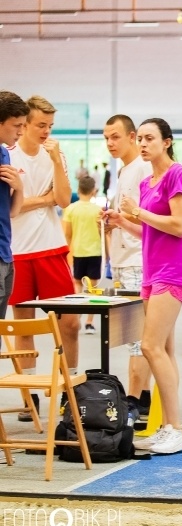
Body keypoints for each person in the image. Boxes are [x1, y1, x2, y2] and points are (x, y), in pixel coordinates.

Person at [104, 118, 182, 455]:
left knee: (150, 347)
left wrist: (139, 212)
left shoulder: (178, 174)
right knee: (164, 352)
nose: (142, 144)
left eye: (149, 138)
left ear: (167, 142)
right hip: (152, 271)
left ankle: (174, 427)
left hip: (174, 270)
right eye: (139, 138)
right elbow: (149, 233)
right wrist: (123, 221)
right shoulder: (147, 182)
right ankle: (165, 426)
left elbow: (178, 225)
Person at [8, 95, 79, 421]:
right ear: (24, 123)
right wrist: (42, 199)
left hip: (51, 248)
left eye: (50, 126)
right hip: (18, 251)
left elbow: (63, 199)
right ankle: (30, 398)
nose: (45, 131)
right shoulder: (8, 153)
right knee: (24, 328)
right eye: (40, 125)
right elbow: (13, 207)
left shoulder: (56, 154)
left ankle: (70, 389)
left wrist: (55, 164)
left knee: (70, 322)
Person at [103, 113, 153, 422]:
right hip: (122, 260)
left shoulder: (143, 169)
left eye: (116, 136)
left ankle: (135, 399)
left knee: (139, 337)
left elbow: (147, 218)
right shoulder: (123, 171)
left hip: (139, 259)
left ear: (132, 136)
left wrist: (123, 220)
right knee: (130, 335)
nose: (110, 143)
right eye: (106, 138)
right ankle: (141, 396)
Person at [0, 91, 28, 321]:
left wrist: (18, 187)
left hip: (6, 253)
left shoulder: (4, 155)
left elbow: (12, 211)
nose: (20, 131)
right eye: (16, 125)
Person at [62, 176, 102, 334]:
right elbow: (102, 232)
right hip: (95, 251)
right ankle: (89, 322)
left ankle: (77, 315)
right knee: (93, 287)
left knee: (77, 283)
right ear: (94, 191)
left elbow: (67, 234)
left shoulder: (71, 209)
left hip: (78, 251)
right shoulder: (98, 210)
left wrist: (67, 253)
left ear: (78, 191)